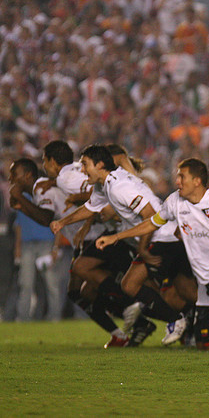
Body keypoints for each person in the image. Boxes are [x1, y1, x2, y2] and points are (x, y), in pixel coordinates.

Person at [95, 158, 209, 350]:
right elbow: (151, 223)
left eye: (182, 176)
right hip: (205, 275)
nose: (177, 180)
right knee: (206, 345)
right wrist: (117, 236)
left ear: (197, 181)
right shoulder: (174, 201)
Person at [50, 145, 189, 346]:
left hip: (164, 238)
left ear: (99, 165)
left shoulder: (120, 187)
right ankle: (177, 321)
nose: (82, 170)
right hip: (157, 237)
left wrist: (138, 247)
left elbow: (150, 215)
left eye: (85, 165)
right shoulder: (105, 184)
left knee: (137, 286)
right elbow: (90, 207)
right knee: (134, 285)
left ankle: (179, 321)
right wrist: (63, 222)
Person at [8, 159, 63, 321]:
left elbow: (57, 221)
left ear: (28, 176)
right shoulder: (20, 197)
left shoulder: (45, 192)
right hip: (26, 244)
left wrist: (55, 247)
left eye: (15, 174)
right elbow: (19, 225)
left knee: (51, 284)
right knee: (25, 284)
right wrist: (17, 247)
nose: (11, 179)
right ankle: (23, 319)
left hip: (46, 243)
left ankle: (55, 318)